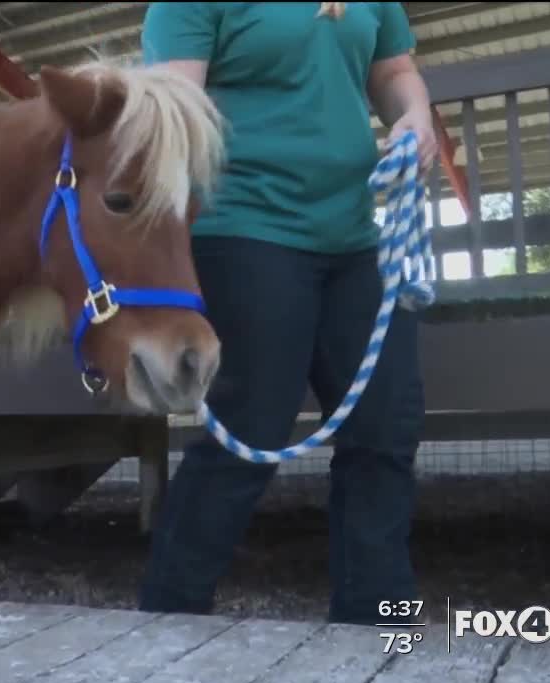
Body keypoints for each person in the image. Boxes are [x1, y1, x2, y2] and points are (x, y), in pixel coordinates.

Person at [137, 1, 437, 626]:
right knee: (250, 431)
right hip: (245, 223)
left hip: (355, 234)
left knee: (386, 427)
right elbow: (175, 116)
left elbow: (392, 70)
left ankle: (381, 626)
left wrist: (414, 115)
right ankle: (168, 616)